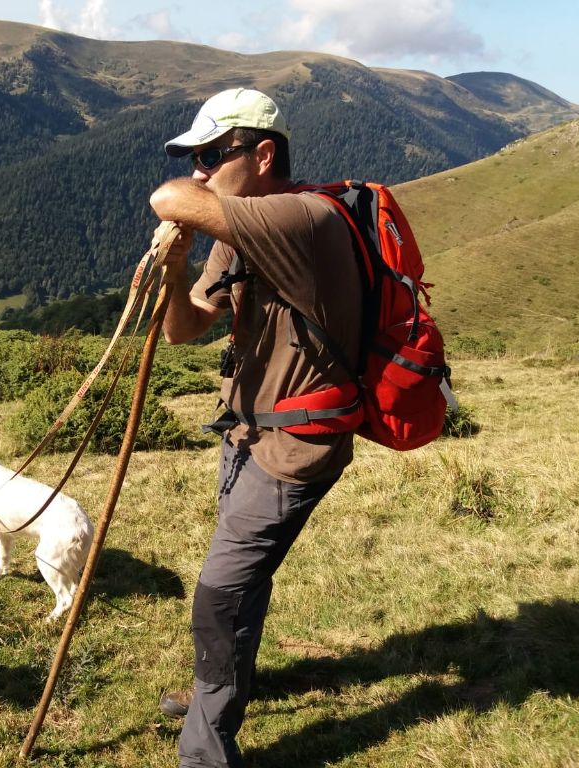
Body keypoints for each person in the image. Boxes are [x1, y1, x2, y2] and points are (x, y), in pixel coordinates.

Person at [148, 88, 362, 767]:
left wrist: (185, 207)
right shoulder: (236, 238)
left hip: (297, 447)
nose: (202, 170)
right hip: (243, 435)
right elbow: (186, 330)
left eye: (213, 154)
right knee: (242, 583)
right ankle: (223, 686)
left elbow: (167, 197)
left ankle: (206, 750)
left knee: (219, 592)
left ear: (263, 154)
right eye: (196, 157)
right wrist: (176, 267)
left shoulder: (301, 219)